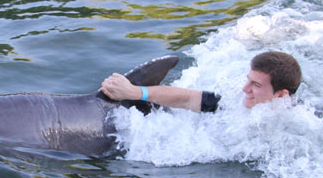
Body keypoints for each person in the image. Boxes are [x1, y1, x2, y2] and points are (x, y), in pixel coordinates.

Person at [100, 51, 302, 112]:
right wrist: (136, 92)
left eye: (256, 85)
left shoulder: (305, 124)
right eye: (248, 80)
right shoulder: (234, 104)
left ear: (281, 94)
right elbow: (187, 98)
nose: (244, 89)